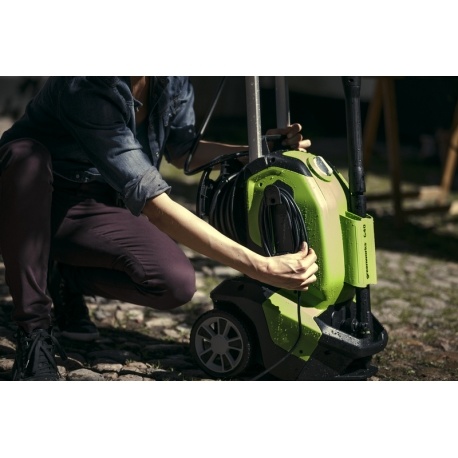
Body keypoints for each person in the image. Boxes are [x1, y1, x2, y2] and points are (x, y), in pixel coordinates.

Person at [0, 76, 318, 381]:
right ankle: (33, 331)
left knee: (174, 282)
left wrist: (258, 149)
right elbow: (155, 205)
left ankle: (62, 276)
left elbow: (184, 151)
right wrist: (259, 266)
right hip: (29, 201)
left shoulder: (171, 79)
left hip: (99, 203)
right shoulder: (87, 83)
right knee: (26, 156)